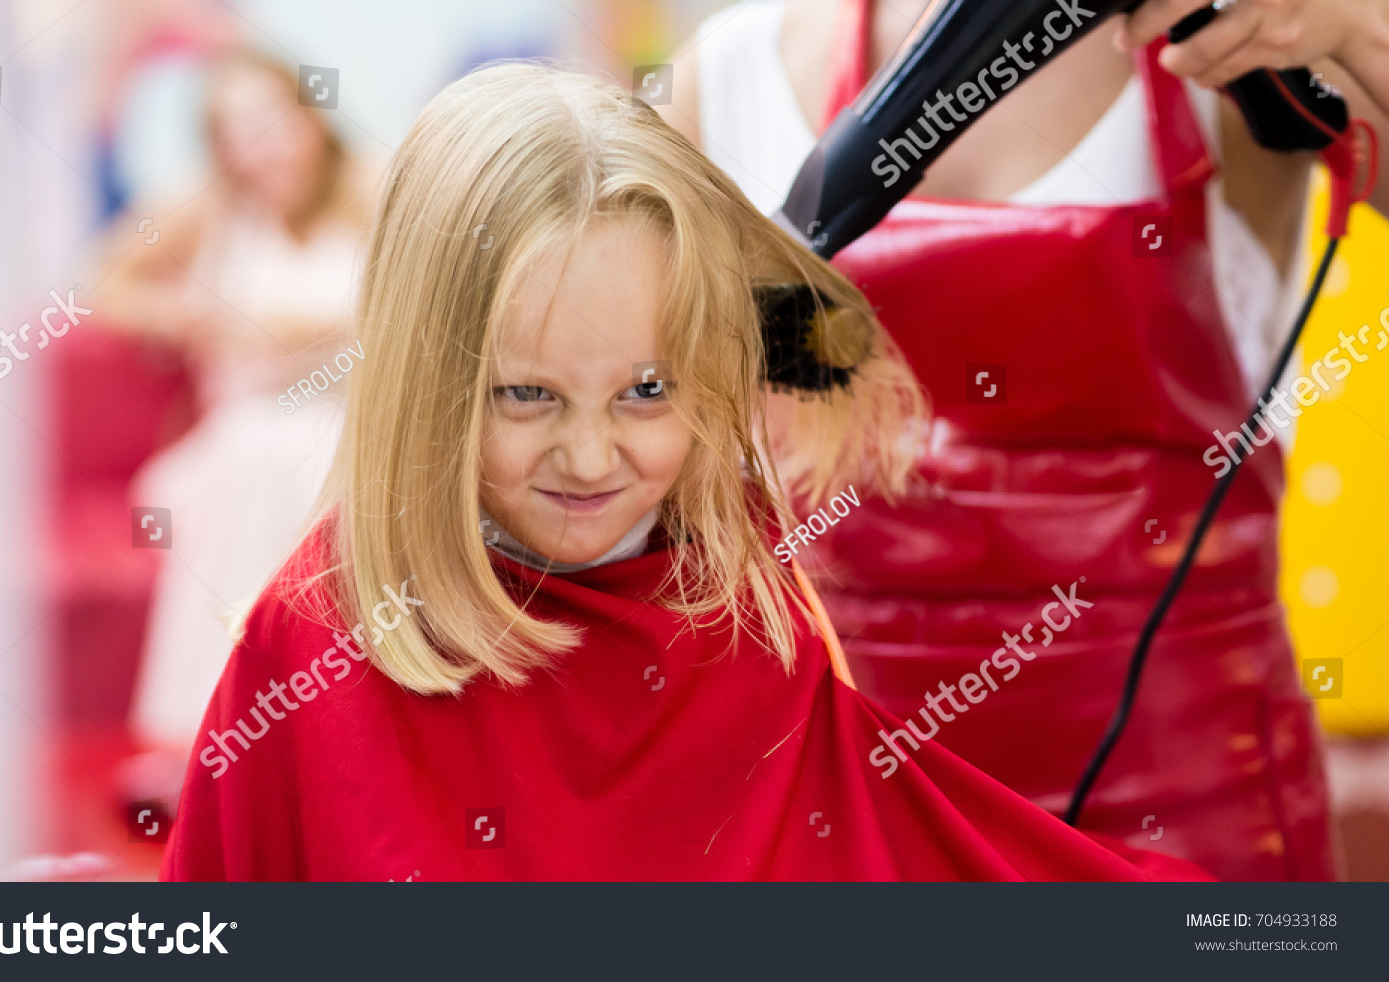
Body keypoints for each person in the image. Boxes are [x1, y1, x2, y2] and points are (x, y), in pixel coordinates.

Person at [160, 62, 1206, 880]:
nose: (589, 455)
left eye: (646, 392)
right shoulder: (308, 648)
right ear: (424, 383)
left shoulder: (747, 614)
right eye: (526, 395)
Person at [659, 0, 1389, 881]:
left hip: (1203, 843)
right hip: (845, 838)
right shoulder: (727, 78)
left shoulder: (1237, 42)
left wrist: (1370, 26)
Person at [93, 50, 374, 756]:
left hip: (347, 422)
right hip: (240, 430)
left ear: (310, 119)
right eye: (235, 130)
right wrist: (183, 314)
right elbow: (102, 282)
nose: (259, 146)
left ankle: (320, 723)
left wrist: (325, 331)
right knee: (266, 457)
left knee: (324, 460)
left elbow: (429, 303)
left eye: (272, 122)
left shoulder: (369, 192)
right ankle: (239, 719)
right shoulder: (206, 207)